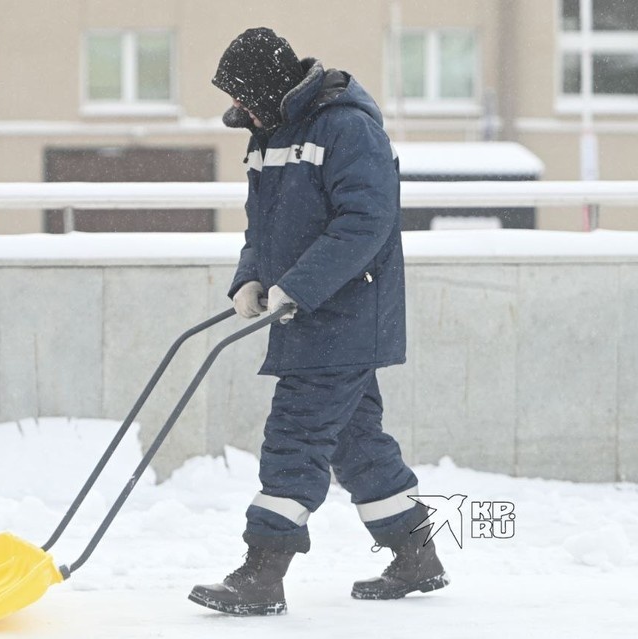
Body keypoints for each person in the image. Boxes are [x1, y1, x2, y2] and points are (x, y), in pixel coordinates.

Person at [188, 27, 448, 616]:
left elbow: (367, 221)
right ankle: (415, 555)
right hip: (308, 312)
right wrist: (250, 278)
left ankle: (262, 572)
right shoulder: (266, 134)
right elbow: (263, 225)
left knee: (296, 434)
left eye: (245, 95)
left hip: (350, 312)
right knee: (355, 442)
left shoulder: (345, 126)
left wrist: (296, 287)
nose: (241, 108)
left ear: (271, 86)